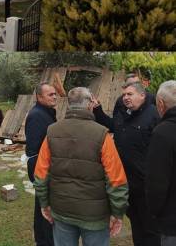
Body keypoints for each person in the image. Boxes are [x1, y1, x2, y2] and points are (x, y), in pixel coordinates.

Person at [34, 87, 129, 246]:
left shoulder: (52, 131)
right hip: (94, 215)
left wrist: (44, 204)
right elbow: (116, 180)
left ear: (69, 104)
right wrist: (117, 213)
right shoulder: (102, 134)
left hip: (62, 209)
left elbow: (41, 175)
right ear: (90, 105)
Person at [93, 81, 161, 246]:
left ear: (142, 95)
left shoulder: (154, 115)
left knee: (150, 228)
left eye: (129, 94)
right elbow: (113, 126)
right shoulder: (124, 113)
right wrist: (98, 111)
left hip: (146, 184)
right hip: (127, 182)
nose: (125, 98)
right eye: (124, 95)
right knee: (136, 223)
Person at [25, 82, 58, 246]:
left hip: (44, 167)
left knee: (42, 207)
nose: (54, 96)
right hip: (42, 169)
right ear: (39, 97)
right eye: (50, 94)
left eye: (54, 94)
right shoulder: (37, 115)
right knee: (45, 209)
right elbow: (35, 149)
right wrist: (41, 173)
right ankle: (45, 241)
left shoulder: (47, 112)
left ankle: (42, 239)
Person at [146, 81, 176, 246]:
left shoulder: (163, 132)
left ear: (161, 104)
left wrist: (154, 211)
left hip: (172, 220)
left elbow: (157, 181)